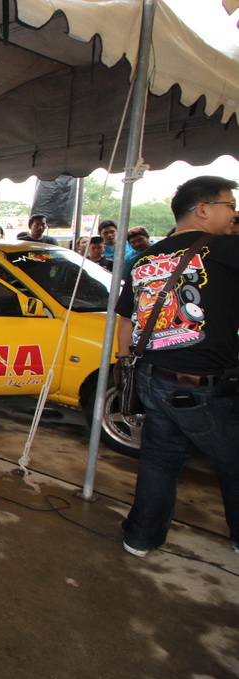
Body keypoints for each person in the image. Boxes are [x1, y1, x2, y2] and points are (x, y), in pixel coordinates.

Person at [115, 175, 239, 559]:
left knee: (160, 459)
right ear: (203, 209)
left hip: (151, 377)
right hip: (200, 384)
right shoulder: (226, 249)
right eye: (230, 206)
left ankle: (140, 537)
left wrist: (125, 366)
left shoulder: (144, 258)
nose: (234, 215)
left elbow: (124, 322)